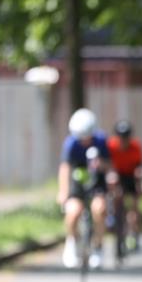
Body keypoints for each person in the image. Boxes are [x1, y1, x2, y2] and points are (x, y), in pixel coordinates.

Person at [58, 108, 111, 269]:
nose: (83, 141)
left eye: (86, 138)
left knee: (99, 210)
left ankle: (98, 247)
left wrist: (101, 165)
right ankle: (72, 242)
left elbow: (110, 165)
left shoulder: (101, 141)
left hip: (97, 180)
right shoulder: (71, 144)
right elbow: (65, 168)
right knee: (72, 212)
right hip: (77, 181)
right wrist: (63, 191)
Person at [106, 120, 142, 252]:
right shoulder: (110, 146)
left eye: (126, 137)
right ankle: (113, 217)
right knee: (116, 196)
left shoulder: (136, 147)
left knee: (134, 206)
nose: (123, 140)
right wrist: (111, 174)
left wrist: (139, 183)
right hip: (117, 174)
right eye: (121, 137)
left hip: (131, 175)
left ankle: (134, 232)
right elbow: (107, 163)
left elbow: (139, 167)